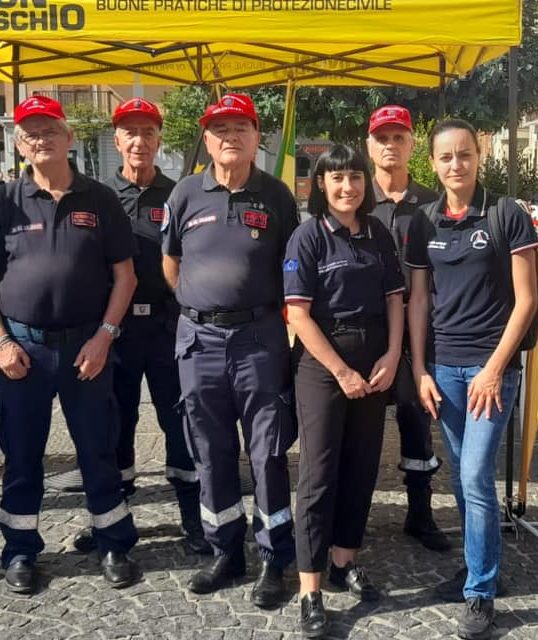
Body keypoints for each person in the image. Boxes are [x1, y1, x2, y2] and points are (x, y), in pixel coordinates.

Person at [0, 95, 142, 593]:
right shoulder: (4, 200)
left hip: (86, 348)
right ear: (21, 145)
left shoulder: (100, 199)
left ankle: (114, 542)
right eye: (30, 135)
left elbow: (125, 277)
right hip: (23, 350)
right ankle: (20, 550)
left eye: (50, 131)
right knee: (22, 455)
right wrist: (1, 342)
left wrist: (105, 337)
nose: (41, 140)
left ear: (69, 139)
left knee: (98, 450)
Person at [162, 93, 300, 609]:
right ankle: (225, 551)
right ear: (207, 138)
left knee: (266, 453)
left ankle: (273, 556)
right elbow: (171, 263)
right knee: (211, 450)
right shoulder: (184, 194)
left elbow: (294, 268)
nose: (229, 136)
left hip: (259, 339)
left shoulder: (277, 197)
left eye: (240, 126)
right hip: (198, 342)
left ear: (256, 136)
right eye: (219, 128)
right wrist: (201, 307)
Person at [404, 119, 538, 640]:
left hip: (491, 370)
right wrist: (418, 369)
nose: (456, 165)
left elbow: (527, 300)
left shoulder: (506, 213)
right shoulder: (424, 221)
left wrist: (494, 368)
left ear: (478, 156)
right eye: (445, 157)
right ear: (433, 164)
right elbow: (419, 299)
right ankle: (475, 565)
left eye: (464, 155)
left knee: (477, 476)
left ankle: (481, 592)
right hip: (443, 368)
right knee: (462, 477)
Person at [69, 97, 211, 556]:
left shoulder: (180, 194)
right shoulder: (95, 197)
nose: (139, 141)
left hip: (168, 327)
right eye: (130, 132)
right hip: (115, 331)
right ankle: (114, 516)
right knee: (115, 424)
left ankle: (193, 516)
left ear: (158, 140)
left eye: (148, 132)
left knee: (180, 423)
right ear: (117, 140)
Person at [285, 144, 405, 637]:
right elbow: (298, 314)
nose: (347, 186)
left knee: (361, 466)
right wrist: (340, 371)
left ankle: (343, 560)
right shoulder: (307, 237)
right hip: (322, 366)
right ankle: (310, 589)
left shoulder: (378, 234)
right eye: (336, 178)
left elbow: (395, 299)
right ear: (320, 185)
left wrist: (394, 355)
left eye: (355, 176)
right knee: (318, 474)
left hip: (375, 362)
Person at [364, 104, 450, 552]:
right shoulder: (356, 201)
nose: (390, 145)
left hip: (420, 334)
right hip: (368, 337)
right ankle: (354, 516)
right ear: (369, 146)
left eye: (399, 137)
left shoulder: (432, 206)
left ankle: (421, 516)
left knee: (418, 425)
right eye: (382, 138)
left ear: (413, 145)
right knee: (361, 428)